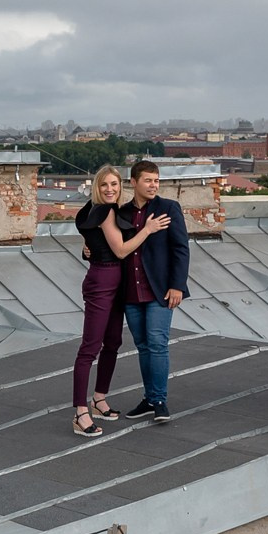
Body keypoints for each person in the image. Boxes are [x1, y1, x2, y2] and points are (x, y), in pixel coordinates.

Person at [71, 165, 169, 437]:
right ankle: (80, 412)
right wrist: (148, 229)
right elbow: (121, 249)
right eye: (105, 185)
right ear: (96, 187)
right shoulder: (106, 211)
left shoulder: (90, 209)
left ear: (121, 185)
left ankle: (99, 398)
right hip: (103, 282)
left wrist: (87, 249)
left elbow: (90, 237)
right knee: (89, 348)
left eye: (114, 184)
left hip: (116, 282)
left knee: (113, 343)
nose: (110, 189)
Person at [120, 160, 190, 422]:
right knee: (143, 346)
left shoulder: (168, 207)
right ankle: (149, 399)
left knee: (158, 344)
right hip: (130, 291)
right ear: (134, 182)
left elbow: (181, 249)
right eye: (148, 180)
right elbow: (116, 247)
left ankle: (159, 400)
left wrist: (177, 285)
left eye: (156, 180)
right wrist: (87, 250)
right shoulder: (123, 212)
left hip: (160, 290)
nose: (153, 185)